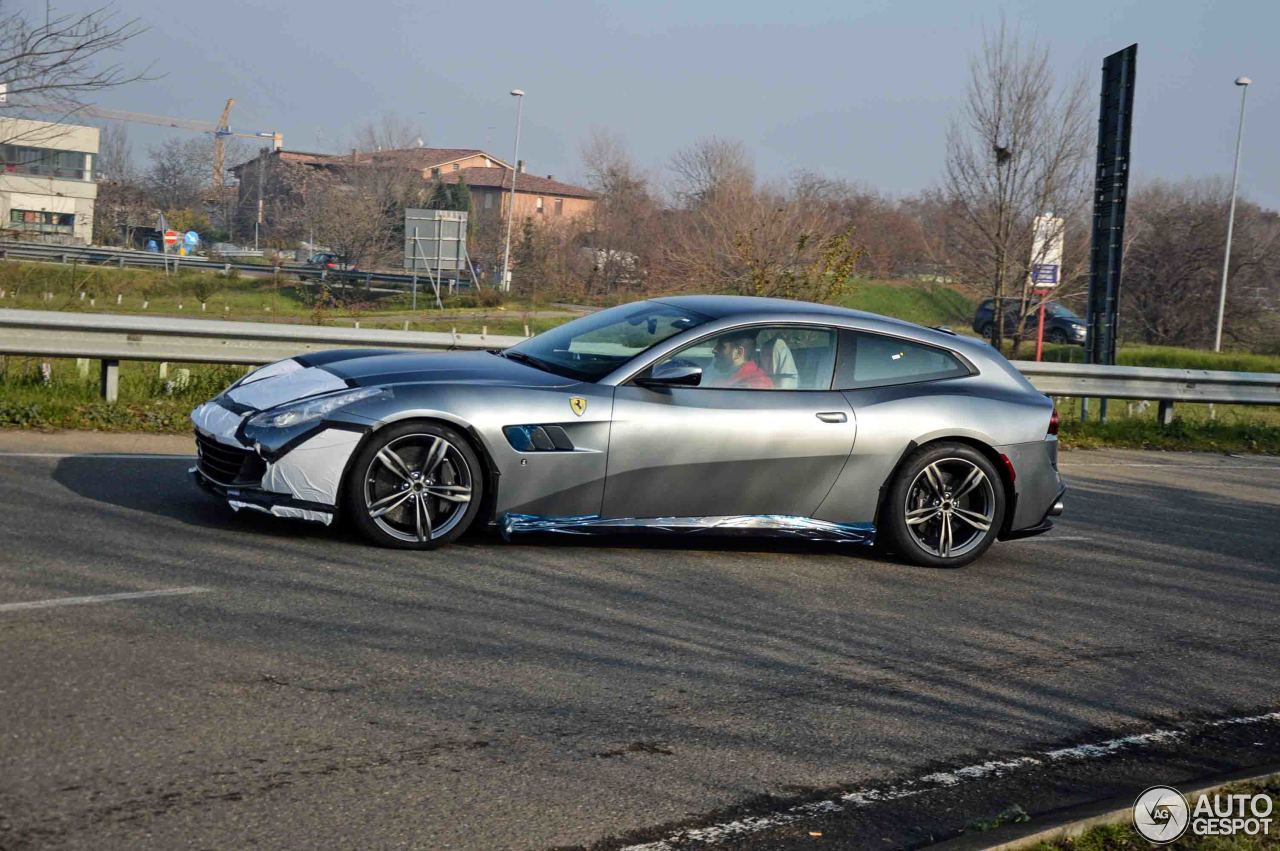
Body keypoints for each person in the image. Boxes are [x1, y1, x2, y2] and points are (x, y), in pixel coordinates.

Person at [707, 331, 772, 389]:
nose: (714, 350)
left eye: (721, 347)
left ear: (738, 353)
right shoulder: (723, 378)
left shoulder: (757, 384)